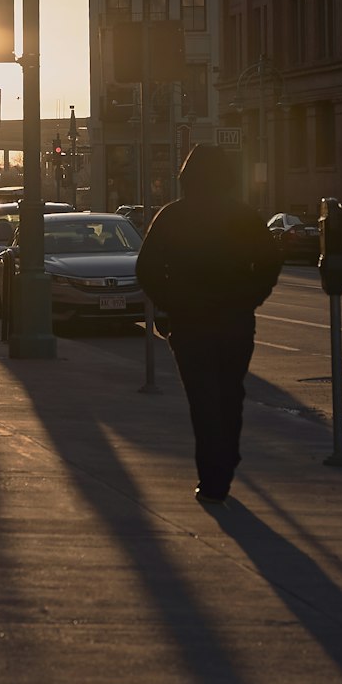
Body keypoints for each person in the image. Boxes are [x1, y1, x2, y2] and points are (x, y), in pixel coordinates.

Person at [135, 144, 283, 505]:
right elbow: (269, 264)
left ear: (187, 177)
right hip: (235, 320)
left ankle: (213, 478)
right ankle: (226, 458)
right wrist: (251, 298)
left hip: (190, 322)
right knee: (230, 394)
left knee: (202, 400)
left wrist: (171, 304)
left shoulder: (172, 216)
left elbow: (146, 270)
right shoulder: (245, 217)